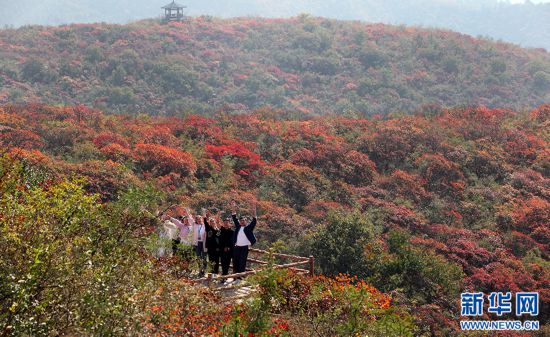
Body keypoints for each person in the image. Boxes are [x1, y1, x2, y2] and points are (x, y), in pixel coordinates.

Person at [231, 202, 257, 275]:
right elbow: (234, 217)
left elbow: (254, 220)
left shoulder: (248, 228)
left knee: (242, 261)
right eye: (241, 221)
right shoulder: (238, 226)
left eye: (243, 221)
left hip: (244, 247)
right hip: (237, 246)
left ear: (246, 221)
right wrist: (233, 206)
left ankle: (241, 276)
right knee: (235, 261)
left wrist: (254, 210)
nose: (242, 222)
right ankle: (235, 276)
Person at [187, 208, 207, 275]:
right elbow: (190, 218)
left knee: (204, 257)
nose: (199, 220)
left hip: (203, 243)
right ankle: (200, 270)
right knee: (198, 257)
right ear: (196, 220)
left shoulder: (204, 225)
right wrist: (188, 211)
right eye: (197, 219)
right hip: (197, 243)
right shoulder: (194, 224)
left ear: (201, 219)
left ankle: (203, 270)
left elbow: (205, 219)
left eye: (200, 219)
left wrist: (204, 212)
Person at [203, 209, 222, 274]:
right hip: (210, 248)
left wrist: (219, 215)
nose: (212, 222)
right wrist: (204, 213)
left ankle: (216, 273)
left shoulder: (218, 230)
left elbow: (219, 239)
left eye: (213, 221)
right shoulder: (208, 228)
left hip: (216, 248)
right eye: (211, 222)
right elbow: (205, 221)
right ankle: (211, 273)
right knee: (211, 261)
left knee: (216, 261)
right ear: (210, 223)